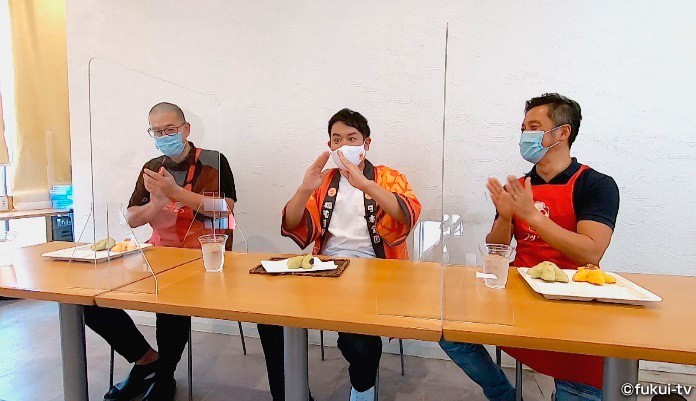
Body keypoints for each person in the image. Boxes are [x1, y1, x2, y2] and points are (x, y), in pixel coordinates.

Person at [440, 93, 620, 401]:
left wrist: (532, 216)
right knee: (448, 330)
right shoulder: (520, 187)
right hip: (519, 298)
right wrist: (505, 216)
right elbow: (497, 248)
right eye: (523, 128)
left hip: (574, 306)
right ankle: (502, 394)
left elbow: (591, 251)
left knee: (580, 387)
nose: (525, 135)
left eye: (534, 127)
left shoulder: (595, 184)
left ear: (563, 133)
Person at [258, 108, 421, 401]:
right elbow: (294, 223)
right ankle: (290, 395)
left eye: (351, 138)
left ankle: (362, 390)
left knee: (360, 343)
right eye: (337, 139)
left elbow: (407, 215)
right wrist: (304, 189)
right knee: (270, 317)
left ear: (366, 143)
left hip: (375, 272)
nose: (343, 145)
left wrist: (366, 185)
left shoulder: (388, 177)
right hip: (325, 268)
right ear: (330, 145)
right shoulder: (323, 180)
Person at [84, 102, 237, 401]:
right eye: (157, 131)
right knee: (88, 299)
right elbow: (131, 218)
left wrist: (177, 193)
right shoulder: (152, 168)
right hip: (158, 253)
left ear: (186, 129)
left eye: (170, 130)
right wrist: (156, 204)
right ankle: (145, 360)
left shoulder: (213, 161)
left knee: (170, 300)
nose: (164, 136)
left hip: (202, 256)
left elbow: (225, 210)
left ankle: (164, 377)